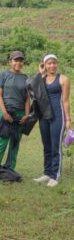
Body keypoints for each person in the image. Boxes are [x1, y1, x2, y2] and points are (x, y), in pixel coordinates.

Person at [0, 51, 30, 177]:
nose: (18, 63)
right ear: (10, 61)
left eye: (21, 60)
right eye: (15, 60)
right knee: (2, 141)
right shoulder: (3, 75)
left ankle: (9, 168)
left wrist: (27, 115)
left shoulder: (26, 78)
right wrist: (4, 112)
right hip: (6, 112)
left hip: (20, 114)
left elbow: (27, 98)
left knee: (15, 143)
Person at [30, 54, 71, 187]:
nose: (52, 66)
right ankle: (47, 173)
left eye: (54, 63)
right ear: (44, 65)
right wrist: (39, 72)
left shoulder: (63, 79)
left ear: (57, 64)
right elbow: (30, 88)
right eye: (49, 63)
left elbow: (65, 101)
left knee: (55, 146)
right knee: (46, 146)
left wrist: (68, 119)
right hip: (44, 117)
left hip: (57, 117)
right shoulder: (41, 78)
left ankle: (55, 175)